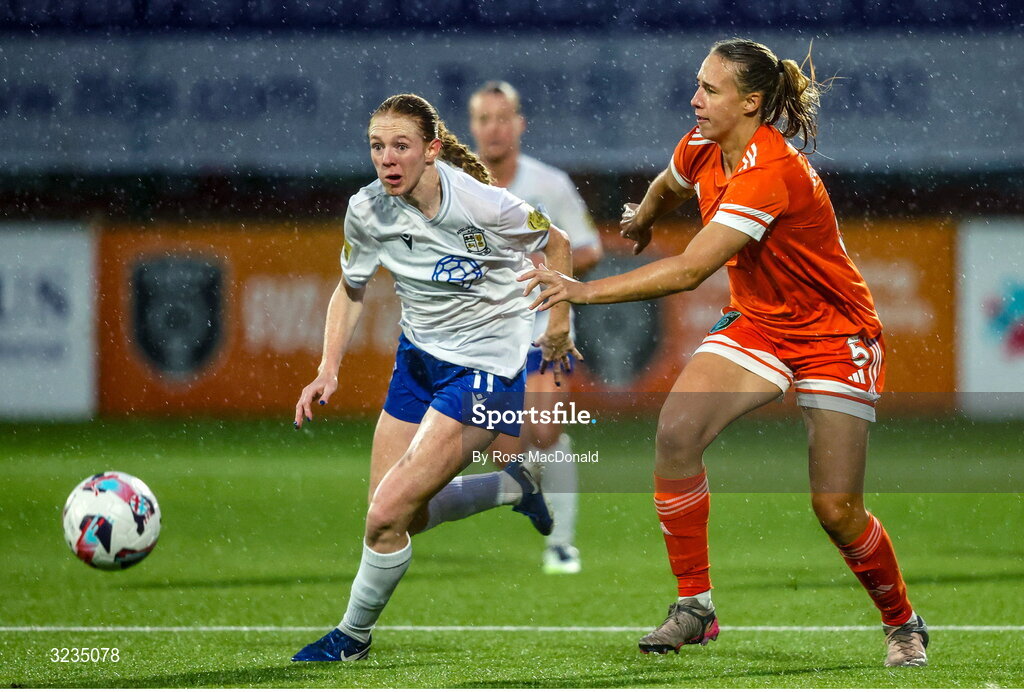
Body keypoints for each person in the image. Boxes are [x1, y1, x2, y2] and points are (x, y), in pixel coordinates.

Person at [520, 39, 929, 668]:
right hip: (761, 324)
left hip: (834, 336)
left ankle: (903, 623)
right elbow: (668, 183)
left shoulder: (772, 171)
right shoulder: (702, 145)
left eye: (710, 89)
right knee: (677, 433)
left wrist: (579, 292)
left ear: (751, 103)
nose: (695, 98)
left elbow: (689, 272)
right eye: (698, 84)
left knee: (836, 509)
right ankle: (695, 606)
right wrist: (645, 218)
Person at [291, 93, 578, 662]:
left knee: (383, 515)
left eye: (401, 146)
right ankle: (513, 485)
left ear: (431, 150)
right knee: (398, 518)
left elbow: (558, 242)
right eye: (377, 147)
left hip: (486, 370)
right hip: (418, 362)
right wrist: (327, 368)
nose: (387, 159)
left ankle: (351, 638)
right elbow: (350, 288)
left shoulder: (484, 203)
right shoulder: (368, 208)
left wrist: (559, 321)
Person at [468, 80, 603, 575]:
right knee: (504, 448)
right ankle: (530, 494)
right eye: (485, 119)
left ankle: (562, 545)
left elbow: (587, 249)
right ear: (472, 127)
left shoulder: (549, 184)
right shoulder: (456, 187)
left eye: (504, 118)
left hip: (546, 326)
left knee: (545, 432)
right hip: (486, 336)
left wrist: (547, 271)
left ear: (520, 124)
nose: (495, 128)